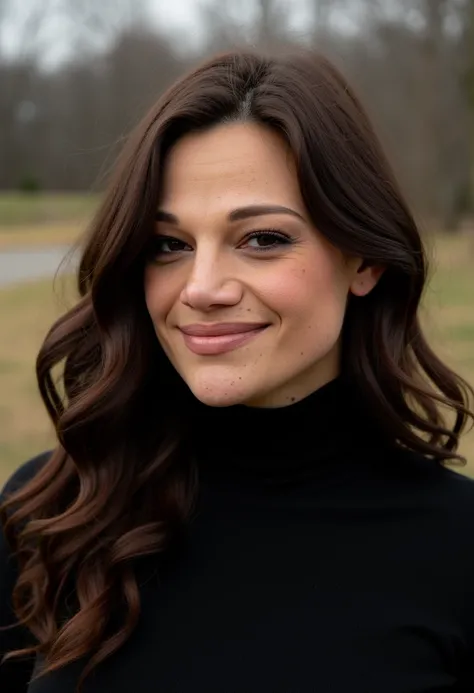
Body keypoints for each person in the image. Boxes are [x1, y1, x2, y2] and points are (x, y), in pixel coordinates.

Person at [1, 48, 474, 693]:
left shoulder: (455, 546)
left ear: (363, 260)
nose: (201, 288)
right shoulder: (51, 515)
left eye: (262, 239)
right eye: (168, 245)